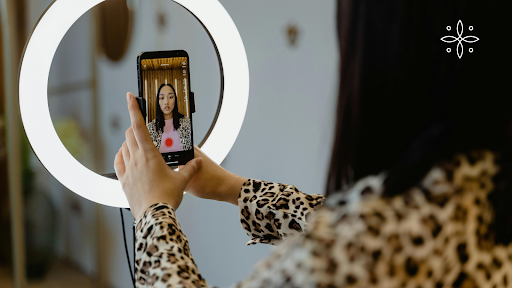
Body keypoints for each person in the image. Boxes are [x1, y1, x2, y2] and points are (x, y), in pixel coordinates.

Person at [114, 0, 512, 287]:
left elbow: (360, 235)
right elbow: (349, 218)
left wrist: (153, 213)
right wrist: (232, 188)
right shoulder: (484, 187)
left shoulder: (350, 254)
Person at [146, 83, 192, 152]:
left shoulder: (186, 123)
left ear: (175, 100)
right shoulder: (150, 128)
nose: (166, 102)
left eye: (170, 97)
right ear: (158, 101)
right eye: (162, 98)